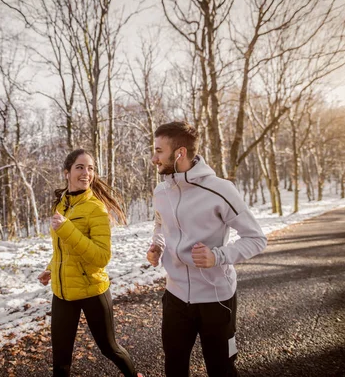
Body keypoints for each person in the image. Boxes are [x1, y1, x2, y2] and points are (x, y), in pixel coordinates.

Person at [146, 121, 267, 377]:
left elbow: (256, 238)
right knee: (174, 367)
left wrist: (218, 257)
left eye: (158, 151)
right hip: (175, 297)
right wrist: (157, 245)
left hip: (216, 299)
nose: (153, 158)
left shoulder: (220, 190)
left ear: (179, 153)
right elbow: (160, 224)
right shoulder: (161, 191)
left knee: (221, 369)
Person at [38, 149, 143, 377]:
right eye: (80, 167)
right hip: (63, 293)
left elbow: (101, 257)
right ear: (67, 172)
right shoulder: (61, 205)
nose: (87, 173)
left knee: (110, 349)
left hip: (92, 290)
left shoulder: (96, 208)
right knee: (60, 360)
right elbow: (62, 249)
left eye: (91, 168)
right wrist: (51, 267)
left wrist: (66, 229)